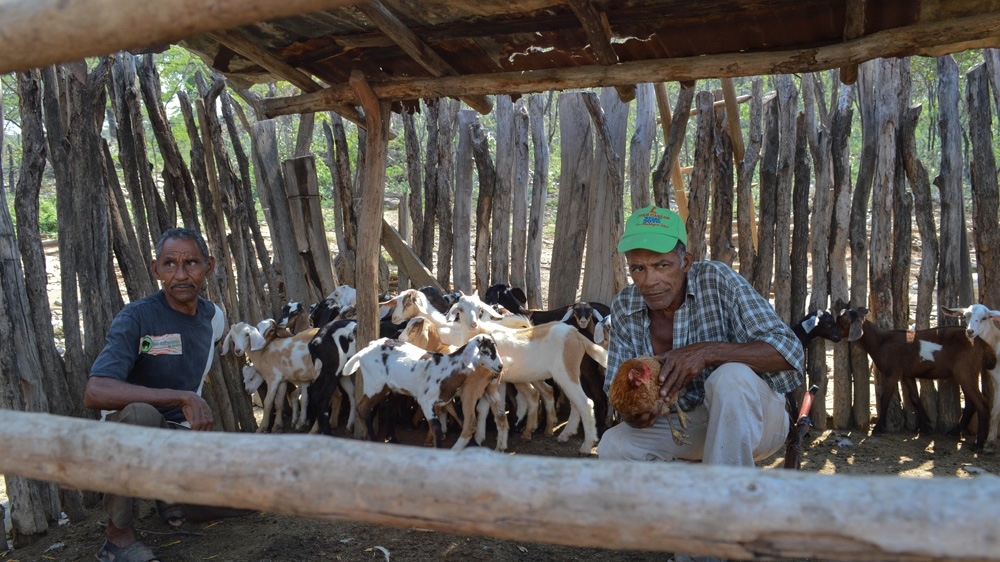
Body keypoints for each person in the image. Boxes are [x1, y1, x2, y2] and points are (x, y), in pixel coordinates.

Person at [597, 205, 805, 467]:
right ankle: (694, 486)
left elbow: (789, 351)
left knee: (731, 377)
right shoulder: (625, 305)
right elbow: (615, 388)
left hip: (758, 422)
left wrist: (707, 352)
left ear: (685, 263)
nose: (649, 281)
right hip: (688, 422)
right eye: (638, 268)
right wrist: (634, 412)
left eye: (662, 265)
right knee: (614, 445)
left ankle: (724, 488)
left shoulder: (717, 280)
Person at [84, 228, 225, 562]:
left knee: (245, 499)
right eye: (170, 263)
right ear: (156, 269)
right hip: (130, 432)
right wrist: (181, 398)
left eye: (191, 263)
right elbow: (95, 391)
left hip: (181, 435)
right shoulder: (137, 317)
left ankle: (170, 492)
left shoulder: (214, 318)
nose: (181, 274)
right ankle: (117, 539)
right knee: (141, 413)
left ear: (208, 266)